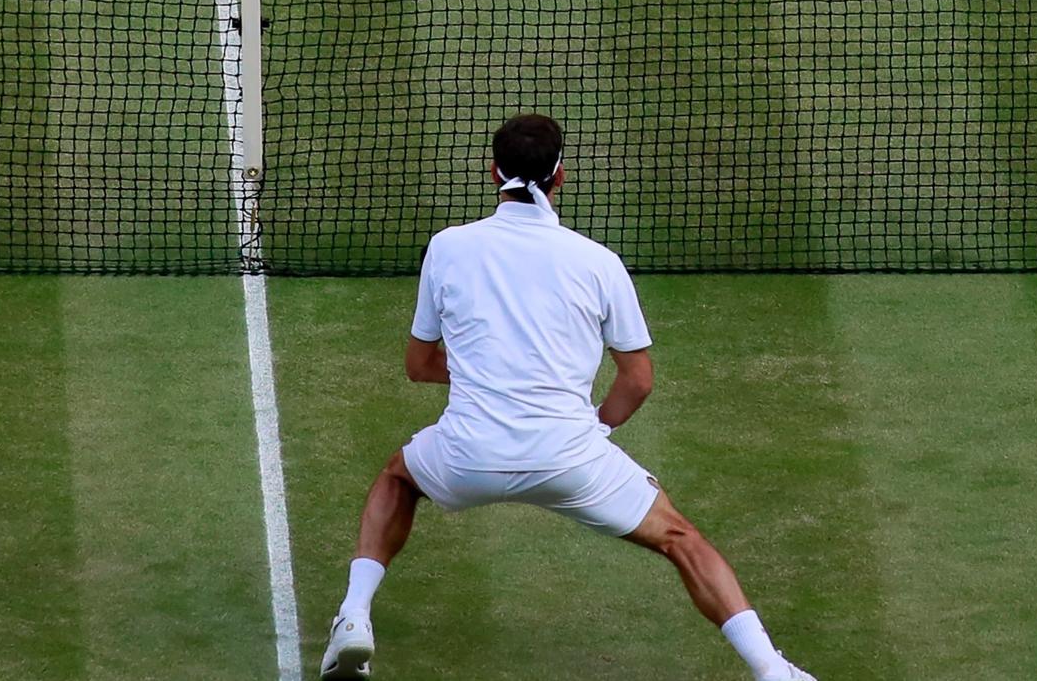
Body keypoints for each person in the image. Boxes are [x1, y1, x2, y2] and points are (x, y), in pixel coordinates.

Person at [320, 113, 815, 681]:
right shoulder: (598, 262)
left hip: (467, 454)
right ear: (561, 178)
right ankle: (771, 669)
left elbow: (419, 365)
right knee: (680, 537)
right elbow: (637, 379)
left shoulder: (448, 247)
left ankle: (354, 616)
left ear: (492, 173)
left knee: (397, 478)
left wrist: (492, 375)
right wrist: (595, 428)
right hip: (573, 458)